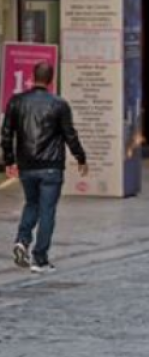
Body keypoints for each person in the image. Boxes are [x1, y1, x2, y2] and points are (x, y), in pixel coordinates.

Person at [1, 62, 88, 273]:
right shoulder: (59, 104)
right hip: (51, 167)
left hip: (27, 165)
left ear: (32, 77)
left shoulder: (17, 101)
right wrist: (81, 157)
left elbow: (6, 133)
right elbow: (70, 134)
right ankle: (39, 258)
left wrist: (10, 161)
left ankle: (22, 240)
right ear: (51, 79)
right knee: (47, 210)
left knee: (31, 203)